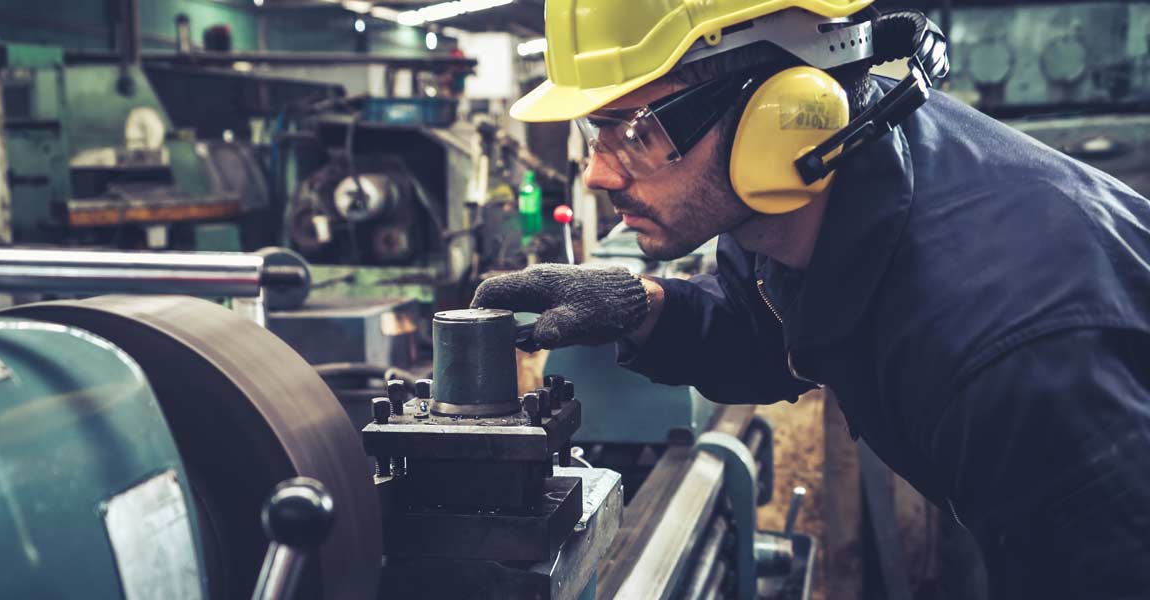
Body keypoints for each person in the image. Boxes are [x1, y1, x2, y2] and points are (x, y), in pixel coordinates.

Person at [472, 1, 1150, 597]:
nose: (596, 173)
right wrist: (643, 306)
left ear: (779, 116)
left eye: (637, 130)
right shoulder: (804, 198)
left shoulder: (1011, 356)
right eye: (595, 133)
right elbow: (774, 328)